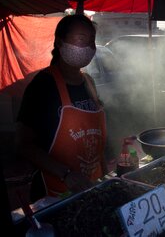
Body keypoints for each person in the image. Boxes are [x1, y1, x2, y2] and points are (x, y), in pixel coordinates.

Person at [16, 14, 107, 201]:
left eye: (92, 41)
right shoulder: (43, 85)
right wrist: (66, 174)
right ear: (59, 42)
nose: (89, 47)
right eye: (82, 39)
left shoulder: (89, 82)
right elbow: (23, 144)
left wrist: (105, 175)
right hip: (54, 194)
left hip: (90, 189)